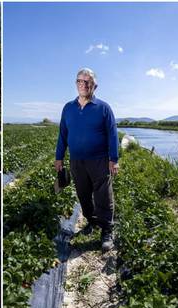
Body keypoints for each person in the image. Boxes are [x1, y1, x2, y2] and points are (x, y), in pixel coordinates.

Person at [54, 68, 119, 252]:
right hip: (77, 161)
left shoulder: (103, 108)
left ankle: (107, 229)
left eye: (87, 81)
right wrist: (59, 157)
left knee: (103, 195)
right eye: (79, 81)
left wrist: (113, 159)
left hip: (99, 160)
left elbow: (112, 134)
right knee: (83, 194)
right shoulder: (68, 108)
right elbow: (62, 134)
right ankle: (92, 221)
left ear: (94, 86)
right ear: (76, 84)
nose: (82, 84)